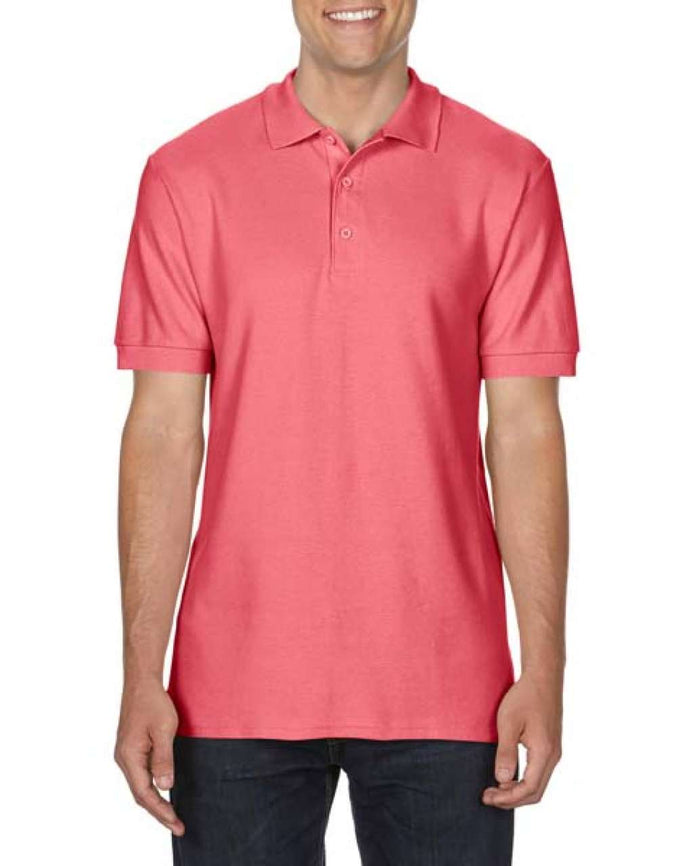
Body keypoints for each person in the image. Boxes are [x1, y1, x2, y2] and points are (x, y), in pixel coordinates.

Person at [113, 1, 579, 863]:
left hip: (449, 689)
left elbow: (523, 433)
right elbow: (164, 433)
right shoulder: (187, 175)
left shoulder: (509, 174)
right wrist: (141, 672)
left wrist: (542, 669)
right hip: (229, 690)